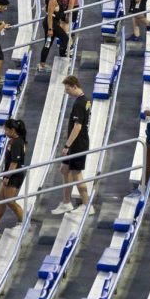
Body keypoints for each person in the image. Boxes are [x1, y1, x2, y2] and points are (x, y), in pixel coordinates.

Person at [53, 76, 91, 213]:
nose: (66, 92)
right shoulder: (84, 100)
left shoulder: (79, 104)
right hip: (76, 143)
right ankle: (66, 202)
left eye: (68, 89)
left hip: (77, 144)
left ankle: (87, 206)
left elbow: (77, 127)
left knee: (76, 174)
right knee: (64, 169)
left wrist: (67, 146)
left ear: (75, 86)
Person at [0, 118, 27, 233]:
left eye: (6, 130)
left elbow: (14, 162)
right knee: (1, 199)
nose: (5, 132)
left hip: (14, 175)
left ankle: (24, 222)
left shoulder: (17, 143)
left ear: (12, 130)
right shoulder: (13, 140)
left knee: (10, 201)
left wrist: (7, 176)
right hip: (9, 174)